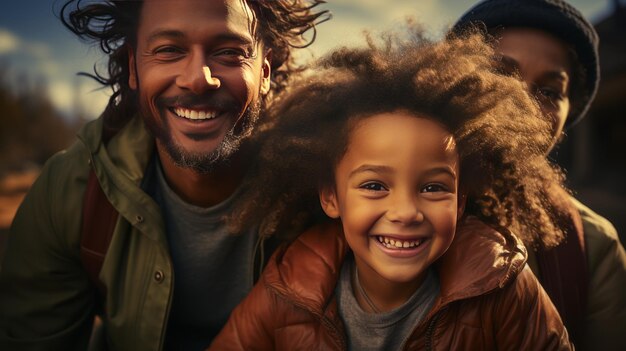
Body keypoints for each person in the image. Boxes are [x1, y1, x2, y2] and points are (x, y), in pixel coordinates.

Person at [208, 29, 572, 350]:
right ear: (332, 196)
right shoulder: (287, 286)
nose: (405, 211)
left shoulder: (504, 286)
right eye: (375, 185)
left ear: (460, 203)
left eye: (432, 187)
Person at [0, 0, 329, 349]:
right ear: (133, 67)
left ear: (264, 71)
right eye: (169, 50)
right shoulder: (71, 191)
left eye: (230, 52)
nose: (197, 79)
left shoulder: (323, 187)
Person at [452, 1, 626, 349]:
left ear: (568, 115)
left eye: (549, 91)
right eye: (499, 74)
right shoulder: (348, 194)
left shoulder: (592, 248)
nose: (522, 102)